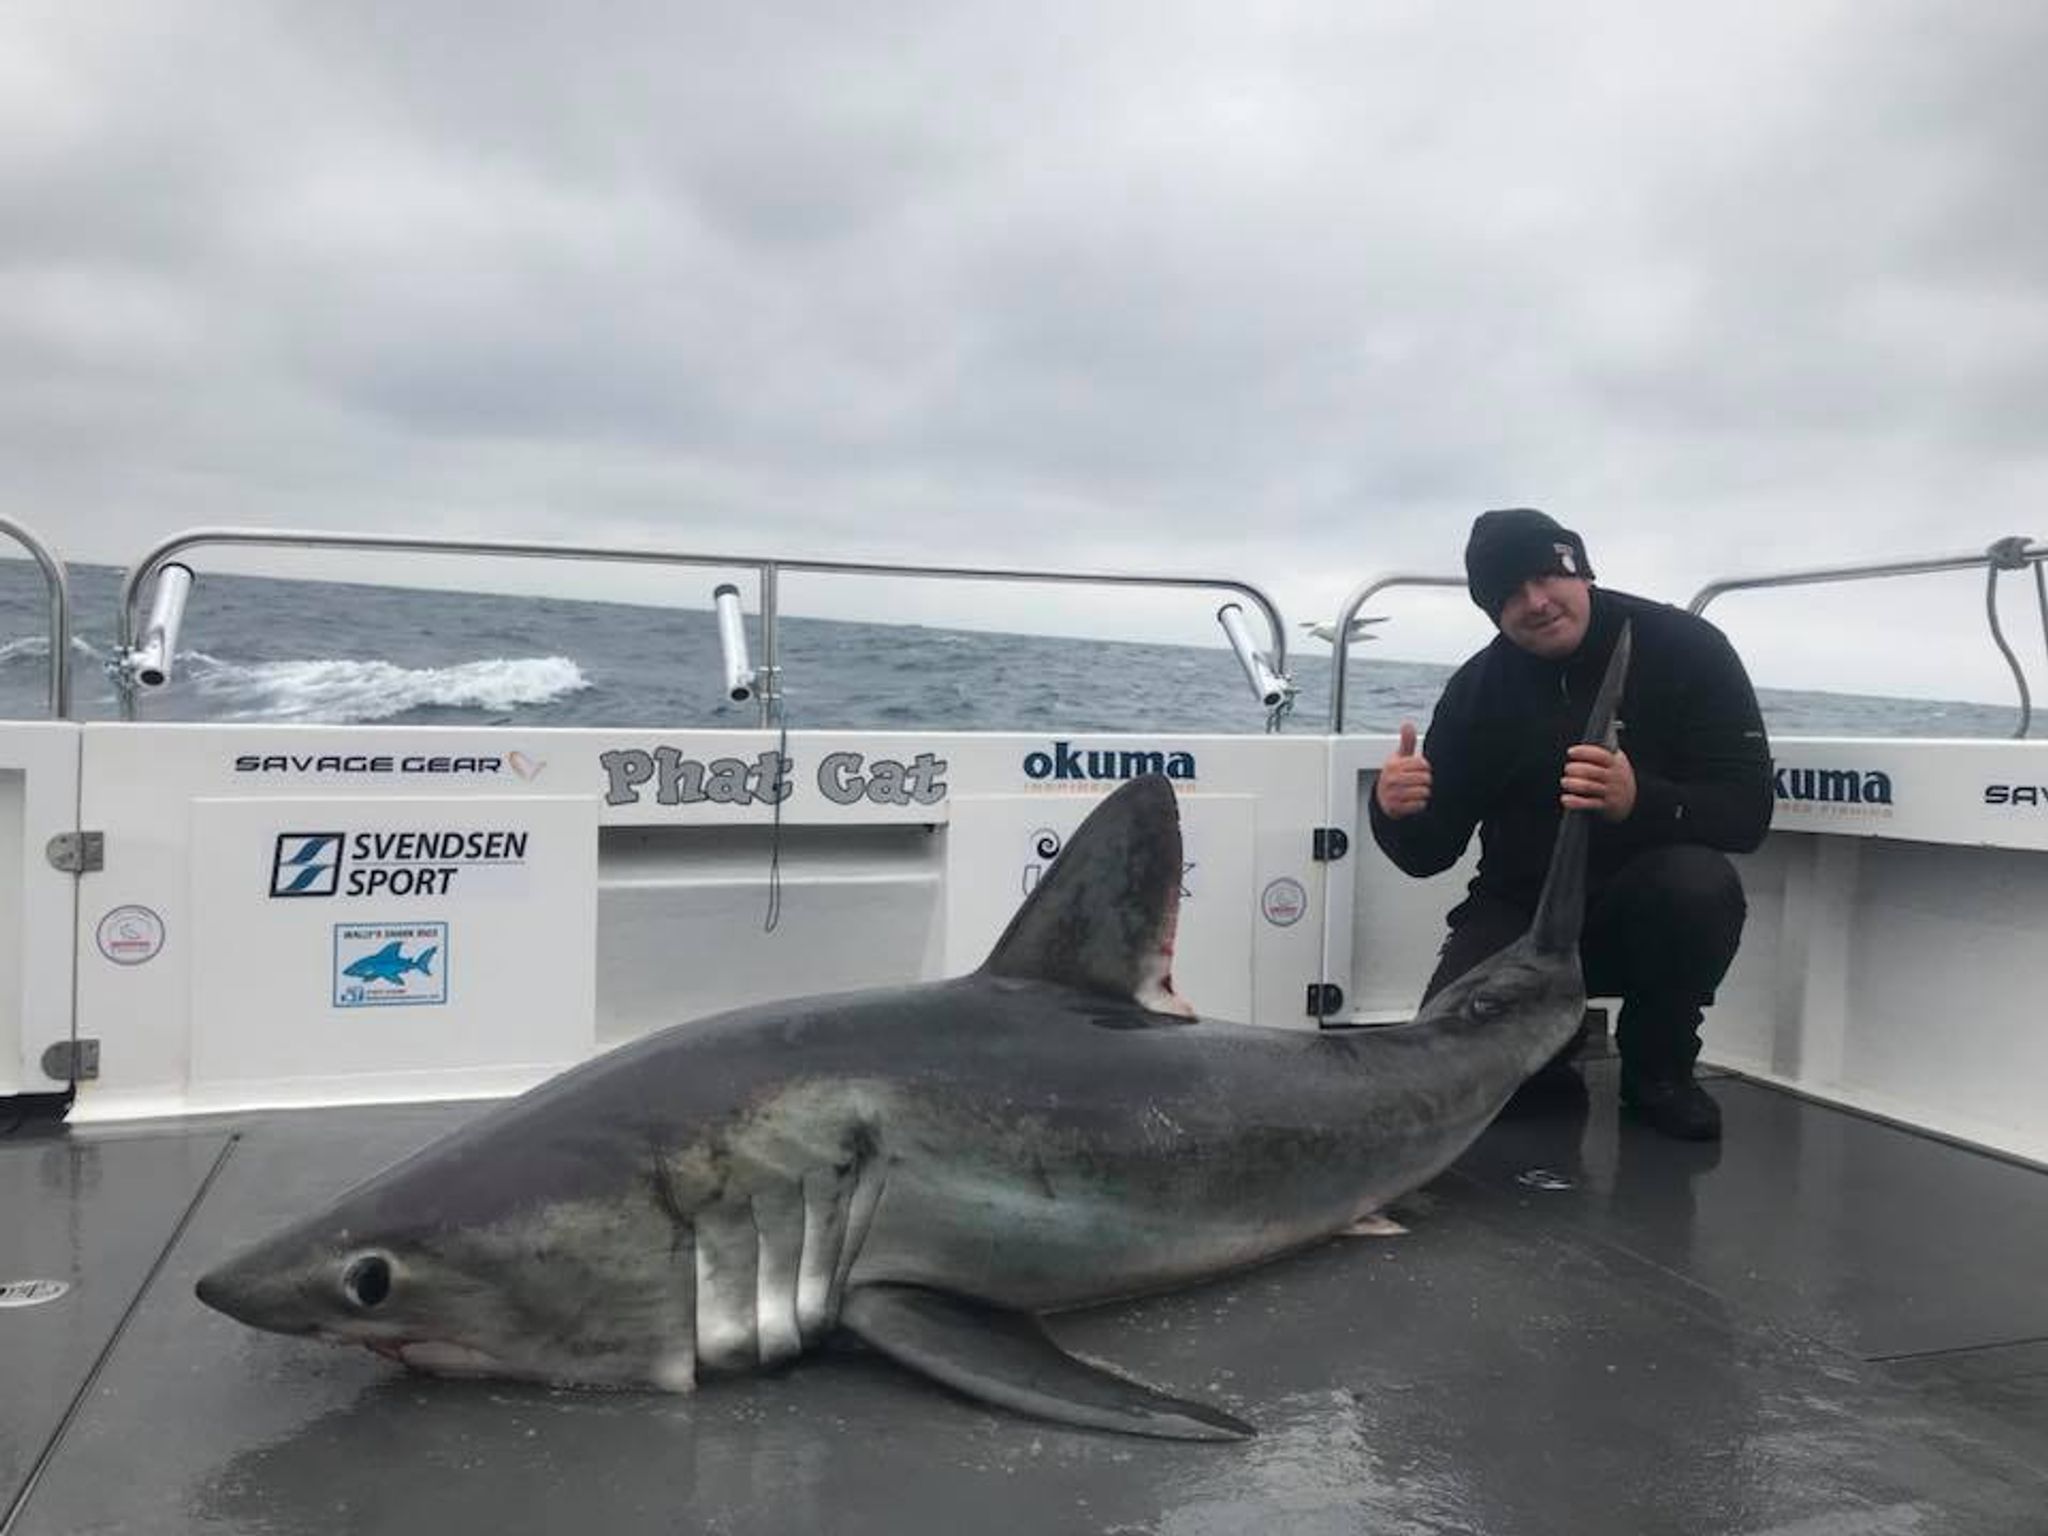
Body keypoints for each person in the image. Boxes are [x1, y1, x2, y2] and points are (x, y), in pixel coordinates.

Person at [1369, 508, 1772, 1140]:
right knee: (1447, 1080)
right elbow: (1429, 853)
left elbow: (1747, 814)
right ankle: (1548, 1058)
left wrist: (1639, 800)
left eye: (1544, 577)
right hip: (1522, 915)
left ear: (1579, 569)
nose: (1533, 603)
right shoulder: (1480, 690)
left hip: (1644, 910)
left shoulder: (1687, 649)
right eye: (1506, 595)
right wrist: (1393, 812)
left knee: (1697, 884)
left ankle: (1659, 1068)